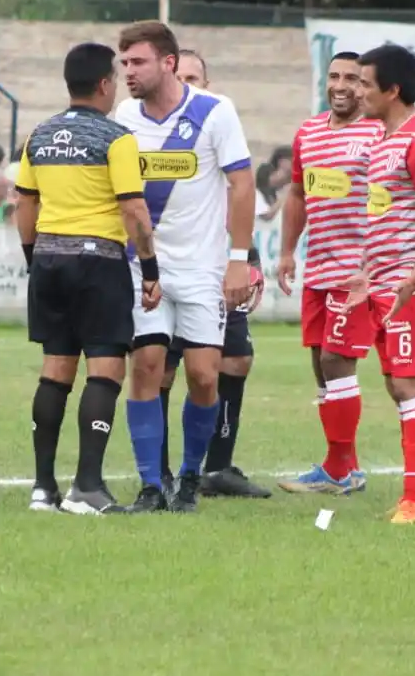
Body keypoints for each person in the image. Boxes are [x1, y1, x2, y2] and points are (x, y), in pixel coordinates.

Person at [113, 21, 256, 514]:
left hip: (202, 268)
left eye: (138, 62)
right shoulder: (125, 115)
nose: (127, 72)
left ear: (167, 63)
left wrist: (239, 261)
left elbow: (242, 184)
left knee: (203, 377)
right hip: (143, 267)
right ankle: (152, 485)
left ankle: (191, 478)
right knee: (147, 366)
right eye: (124, 63)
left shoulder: (216, 112)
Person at [13, 41, 161, 516]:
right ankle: (87, 487)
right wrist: (151, 266)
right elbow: (133, 208)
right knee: (105, 369)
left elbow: (24, 204)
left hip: (49, 259)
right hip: (98, 260)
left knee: (55, 369)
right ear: (103, 84)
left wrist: (33, 256)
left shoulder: (39, 135)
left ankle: (42, 488)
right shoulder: (116, 139)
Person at [342, 44, 415, 526]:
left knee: (410, 383)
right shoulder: (384, 138)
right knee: (395, 383)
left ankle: (413, 501)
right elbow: (387, 215)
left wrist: (412, 277)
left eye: (366, 83)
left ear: (392, 90)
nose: (356, 91)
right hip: (386, 284)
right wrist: (369, 273)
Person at [158, 48, 270, 499]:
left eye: (195, 77)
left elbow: (238, 196)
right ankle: (162, 470)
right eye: (181, 75)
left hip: (220, 270)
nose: (189, 83)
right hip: (168, 271)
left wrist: (249, 258)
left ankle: (217, 467)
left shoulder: (220, 127)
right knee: (162, 367)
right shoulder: (156, 133)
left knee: (235, 359)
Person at [274, 51, 380, 495]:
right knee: (321, 364)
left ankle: (337, 470)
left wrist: (375, 262)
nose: (341, 85)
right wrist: (286, 253)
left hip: (355, 273)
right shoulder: (310, 132)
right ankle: (345, 467)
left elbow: (389, 197)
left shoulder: (378, 134)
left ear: (366, 87)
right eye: (334, 76)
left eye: (352, 79)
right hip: (318, 267)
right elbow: (298, 194)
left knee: (338, 360)